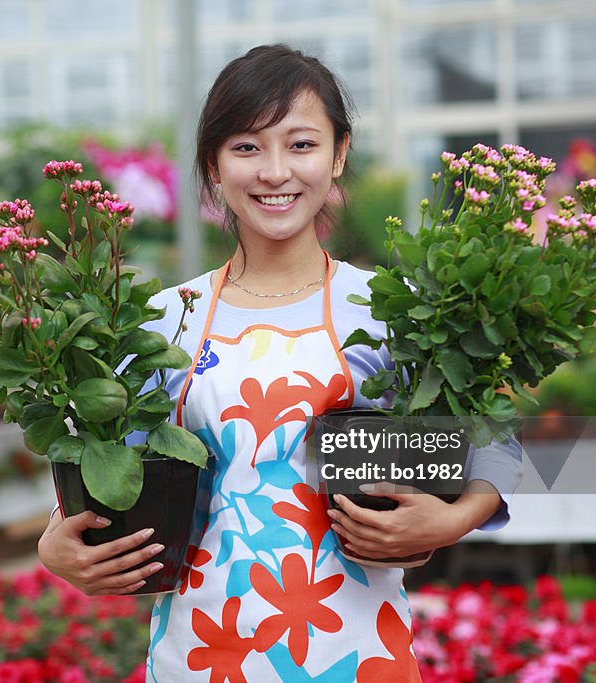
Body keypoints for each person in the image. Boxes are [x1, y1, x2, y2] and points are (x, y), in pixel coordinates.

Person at [38, 44, 523, 682]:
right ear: (212, 164)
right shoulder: (163, 317)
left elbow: (493, 442)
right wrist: (56, 540)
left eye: (300, 145)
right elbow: (113, 463)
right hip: (202, 650)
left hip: (356, 649)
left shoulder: (393, 310)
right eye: (246, 147)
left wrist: (454, 517)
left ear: (339, 154)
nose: (274, 172)